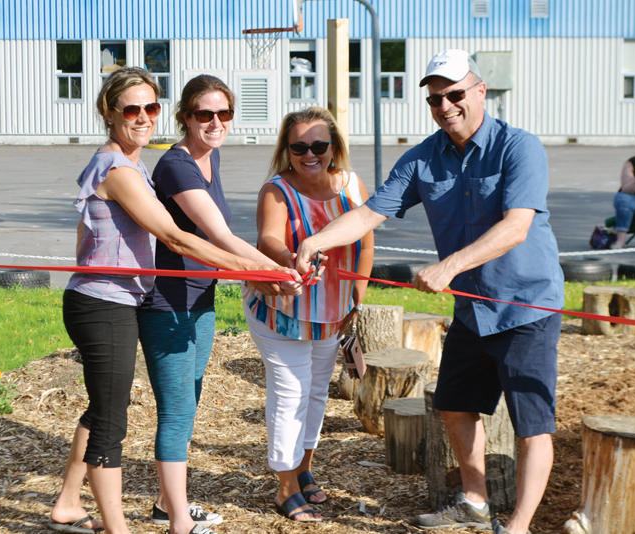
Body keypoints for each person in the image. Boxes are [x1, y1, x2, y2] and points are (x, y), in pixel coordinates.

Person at [295, 50, 564, 534]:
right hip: (473, 308)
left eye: (455, 94)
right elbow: (370, 212)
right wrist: (315, 241)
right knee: (456, 405)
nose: (445, 105)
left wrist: (452, 265)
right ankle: (476, 502)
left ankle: (519, 526)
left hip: (527, 305)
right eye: (435, 98)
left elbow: (517, 226)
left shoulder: (519, 147)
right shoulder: (423, 157)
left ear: (480, 91)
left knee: (532, 424)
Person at [48, 67, 290, 534]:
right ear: (109, 112)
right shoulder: (118, 168)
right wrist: (256, 271)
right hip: (104, 302)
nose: (143, 117)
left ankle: (66, 503)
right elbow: (176, 238)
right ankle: (119, 528)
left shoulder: (131, 162)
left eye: (150, 108)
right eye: (132, 109)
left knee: (104, 407)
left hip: (116, 298)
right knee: (110, 421)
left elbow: (88, 232)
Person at [137, 75, 301, 534]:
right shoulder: (176, 166)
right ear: (185, 117)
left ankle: (166, 502)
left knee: (189, 397)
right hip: (165, 304)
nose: (214, 122)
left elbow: (224, 243)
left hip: (200, 299)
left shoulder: (210, 159)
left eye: (223, 113)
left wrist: (274, 270)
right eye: (203, 114)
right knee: (176, 411)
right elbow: (220, 237)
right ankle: (179, 524)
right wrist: (272, 273)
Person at [242, 107, 374, 522]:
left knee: (316, 394)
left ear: (334, 147)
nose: (309, 153)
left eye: (319, 145)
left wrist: (358, 298)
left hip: (333, 312)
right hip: (282, 312)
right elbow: (267, 239)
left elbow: (365, 243)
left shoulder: (352, 185)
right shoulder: (277, 190)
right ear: (287, 149)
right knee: (290, 395)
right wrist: (290, 257)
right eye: (299, 146)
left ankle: (302, 469)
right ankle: (285, 488)